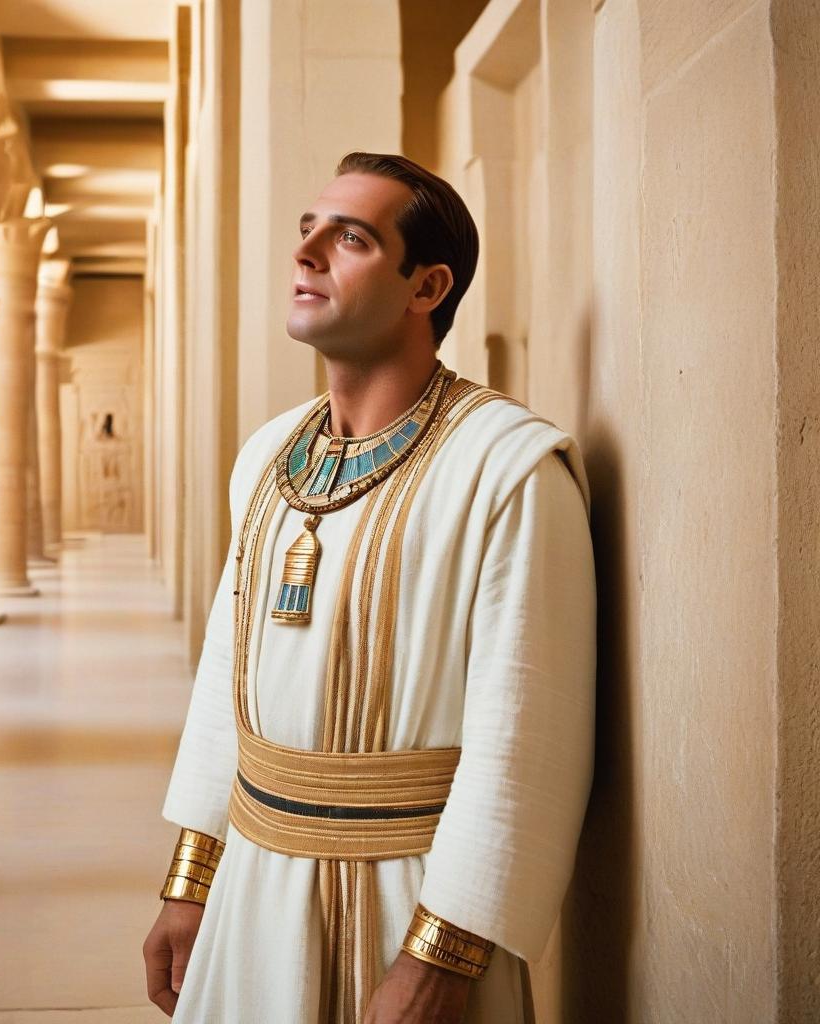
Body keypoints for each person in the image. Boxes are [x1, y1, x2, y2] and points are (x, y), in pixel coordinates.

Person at [142, 151, 596, 1024]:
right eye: (307, 230)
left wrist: (441, 957)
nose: (307, 252)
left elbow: (527, 741)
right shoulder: (269, 455)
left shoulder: (507, 468)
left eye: (349, 238)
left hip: (412, 901)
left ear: (427, 287)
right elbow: (223, 678)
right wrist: (191, 880)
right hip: (251, 886)